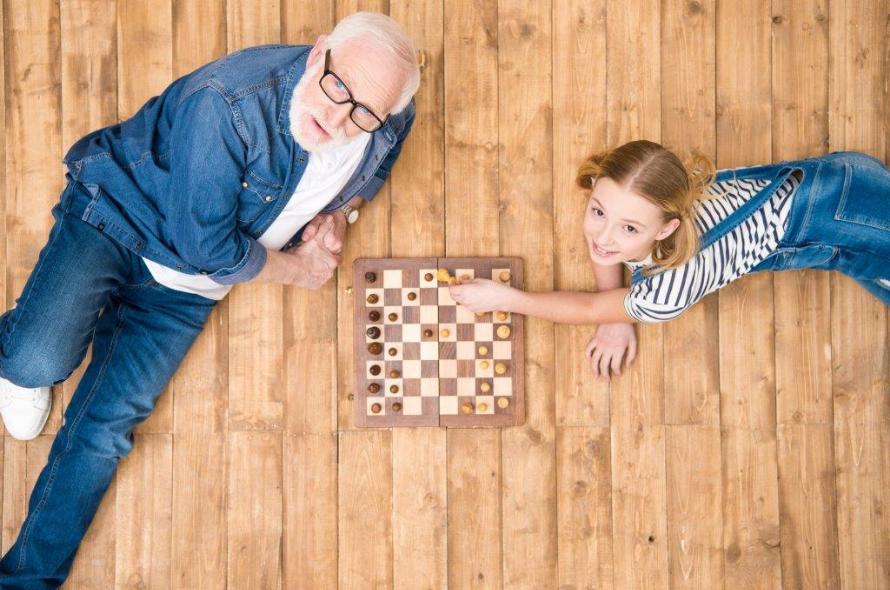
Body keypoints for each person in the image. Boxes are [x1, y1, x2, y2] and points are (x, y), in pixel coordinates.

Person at [0, 11, 419, 586]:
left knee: (104, 431)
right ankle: (26, 351)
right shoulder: (226, 104)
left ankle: (23, 581)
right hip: (117, 219)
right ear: (320, 52)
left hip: (184, 293)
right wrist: (299, 270)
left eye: (365, 111)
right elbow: (207, 247)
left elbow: (376, 165)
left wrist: (340, 214)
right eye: (337, 86)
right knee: (38, 360)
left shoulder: (388, 117)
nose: (340, 116)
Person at [450, 140, 890, 379]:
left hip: (841, 218)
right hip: (844, 178)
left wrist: (507, 298)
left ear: (666, 230)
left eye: (628, 229)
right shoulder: (665, 189)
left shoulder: (665, 294)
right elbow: (604, 255)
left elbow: (587, 309)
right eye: (598, 211)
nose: (603, 237)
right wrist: (615, 312)